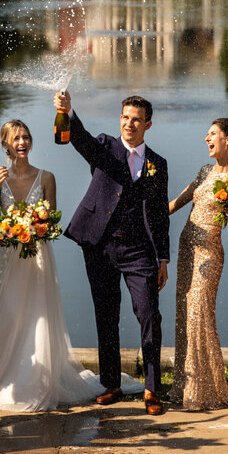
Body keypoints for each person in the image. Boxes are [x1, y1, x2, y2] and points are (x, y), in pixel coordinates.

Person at [0, 119, 114, 411]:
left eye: (26, 137)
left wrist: (34, 225)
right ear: (5, 144)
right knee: (2, 313)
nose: (22, 143)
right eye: (16, 138)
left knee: (35, 316)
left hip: (37, 259)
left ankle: (33, 379)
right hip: (5, 256)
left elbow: (52, 219)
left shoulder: (46, 177)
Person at [55, 88, 171, 416]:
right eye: (125, 118)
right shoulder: (105, 147)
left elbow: (160, 213)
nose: (129, 124)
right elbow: (79, 139)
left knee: (149, 314)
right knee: (105, 315)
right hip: (100, 246)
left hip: (139, 251)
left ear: (148, 124)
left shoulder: (157, 165)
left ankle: (151, 387)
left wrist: (163, 257)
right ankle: (111, 384)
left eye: (136, 120)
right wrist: (68, 111)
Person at [167, 118, 228, 411]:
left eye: (212, 134)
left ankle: (203, 391)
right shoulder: (205, 171)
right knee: (184, 316)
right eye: (206, 134)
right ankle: (184, 386)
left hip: (209, 255)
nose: (206, 138)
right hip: (186, 251)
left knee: (199, 315)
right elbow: (176, 203)